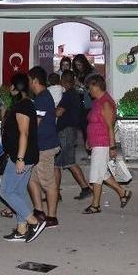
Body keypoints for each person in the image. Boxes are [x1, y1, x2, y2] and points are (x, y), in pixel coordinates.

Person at [0, 72, 46, 243]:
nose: (9, 88)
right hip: (22, 155)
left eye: (11, 85)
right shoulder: (23, 104)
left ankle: (34, 222)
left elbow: (24, 134)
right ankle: (21, 229)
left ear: (15, 87)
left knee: (6, 191)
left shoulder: (23, 106)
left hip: (22, 156)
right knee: (18, 191)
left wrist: (19, 159)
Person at [82, 74, 132, 214]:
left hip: (102, 143)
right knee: (102, 174)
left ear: (96, 86)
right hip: (97, 142)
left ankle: (95, 205)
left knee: (96, 176)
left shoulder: (105, 103)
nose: (88, 91)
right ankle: (123, 193)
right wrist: (88, 140)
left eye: (90, 88)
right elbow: (94, 122)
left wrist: (112, 147)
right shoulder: (98, 101)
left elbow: (110, 126)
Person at [26, 66, 61, 229]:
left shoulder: (42, 98)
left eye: (29, 80)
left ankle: (52, 216)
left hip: (45, 147)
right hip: (38, 145)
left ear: (34, 80)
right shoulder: (42, 97)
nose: (28, 84)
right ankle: (39, 211)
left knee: (47, 181)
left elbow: (36, 124)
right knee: (32, 179)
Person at [55, 70, 92, 201]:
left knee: (63, 163)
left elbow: (59, 112)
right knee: (63, 163)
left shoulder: (68, 95)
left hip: (65, 132)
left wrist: (51, 110)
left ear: (63, 81)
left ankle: (84, 188)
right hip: (70, 131)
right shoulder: (74, 94)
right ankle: (57, 193)